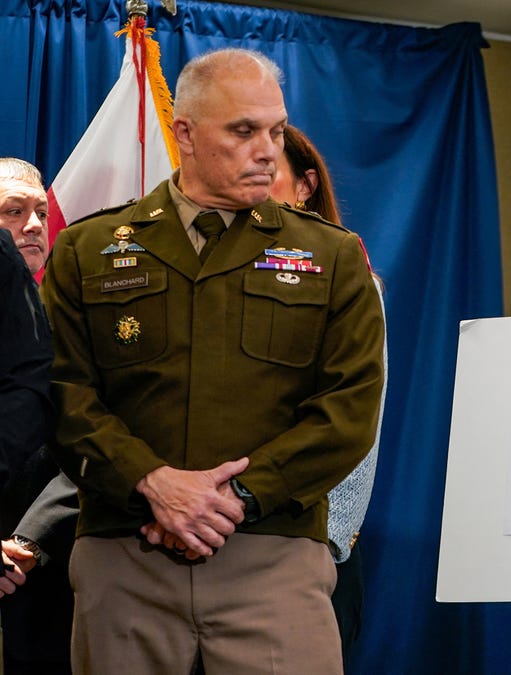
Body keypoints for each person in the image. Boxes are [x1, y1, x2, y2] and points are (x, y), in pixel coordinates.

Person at [40, 49, 384, 674]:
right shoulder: (87, 250)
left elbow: (350, 411)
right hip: (126, 553)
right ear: (186, 134)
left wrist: (236, 498)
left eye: (276, 131)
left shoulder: (331, 258)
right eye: (244, 131)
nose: (269, 151)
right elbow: (63, 394)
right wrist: (153, 483)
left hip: (272, 555)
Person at [270, 123, 386, 670]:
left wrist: (328, 543)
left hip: (305, 546)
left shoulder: (345, 276)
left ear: (305, 185)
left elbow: (354, 421)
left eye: (269, 171)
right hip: (218, 545)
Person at [0, 157, 62, 672]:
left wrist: (30, 537)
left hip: (47, 561)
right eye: (13, 212)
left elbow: (97, 439)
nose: (35, 225)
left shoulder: (80, 317)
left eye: (40, 210)